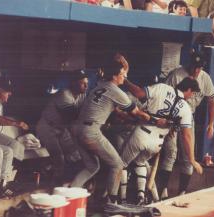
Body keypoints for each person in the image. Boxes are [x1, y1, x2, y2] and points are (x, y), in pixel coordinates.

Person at [70, 53, 166, 204]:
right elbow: (137, 113)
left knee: (92, 166)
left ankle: (68, 195)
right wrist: (156, 120)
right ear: (115, 76)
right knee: (118, 164)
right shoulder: (116, 92)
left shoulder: (100, 86)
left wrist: (123, 64)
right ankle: (111, 202)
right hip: (90, 131)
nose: (124, 77)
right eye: (122, 74)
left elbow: (117, 112)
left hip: (77, 129)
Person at [118, 77, 203, 204]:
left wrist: (125, 80)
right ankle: (141, 197)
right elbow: (187, 136)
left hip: (142, 133)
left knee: (121, 165)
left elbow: (139, 93)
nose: (191, 96)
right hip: (157, 143)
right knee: (140, 163)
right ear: (188, 89)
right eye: (192, 93)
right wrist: (192, 159)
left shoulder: (162, 87)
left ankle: (121, 199)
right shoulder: (186, 108)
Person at [157, 51, 214, 198]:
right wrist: (166, 121)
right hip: (171, 118)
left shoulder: (205, 78)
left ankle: (182, 192)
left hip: (189, 118)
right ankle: (163, 190)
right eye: (194, 67)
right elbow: (162, 96)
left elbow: (211, 100)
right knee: (171, 153)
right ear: (189, 65)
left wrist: (211, 123)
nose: (196, 70)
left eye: (199, 67)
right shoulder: (176, 74)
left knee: (188, 155)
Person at [36, 70, 88, 184]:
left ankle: (48, 167)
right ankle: (54, 184)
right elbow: (71, 116)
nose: (86, 85)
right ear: (74, 83)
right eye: (82, 83)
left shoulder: (82, 95)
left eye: (86, 82)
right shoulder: (64, 94)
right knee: (59, 158)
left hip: (61, 128)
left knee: (76, 153)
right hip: (47, 127)